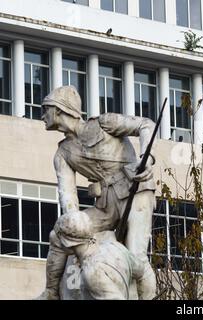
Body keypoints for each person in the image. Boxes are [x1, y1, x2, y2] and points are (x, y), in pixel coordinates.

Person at [37, 85, 156, 299]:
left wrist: (147, 157)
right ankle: (51, 292)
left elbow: (145, 124)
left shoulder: (104, 123)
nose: (42, 115)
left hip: (135, 192)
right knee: (58, 235)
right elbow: (69, 201)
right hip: (105, 206)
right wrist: (73, 226)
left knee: (137, 258)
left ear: (59, 109)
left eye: (46, 109)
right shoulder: (62, 154)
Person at [54, 210, 153, 300]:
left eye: (59, 238)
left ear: (67, 242)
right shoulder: (115, 246)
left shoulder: (92, 272)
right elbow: (140, 269)